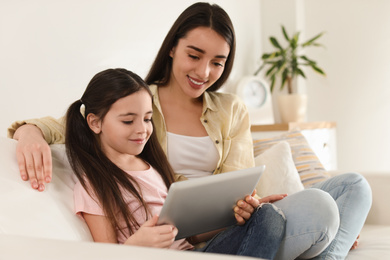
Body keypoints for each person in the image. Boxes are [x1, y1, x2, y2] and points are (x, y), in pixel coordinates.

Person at [8, 2, 371, 259]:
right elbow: (75, 120)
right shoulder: (139, 102)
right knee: (319, 208)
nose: (204, 72)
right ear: (172, 49)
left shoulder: (231, 109)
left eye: (218, 62)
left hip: (226, 221)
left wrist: (247, 203)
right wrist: (28, 131)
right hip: (193, 234)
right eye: (194, 55)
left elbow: (240, 182)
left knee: (353, 186)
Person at [64, 67, 286, 258]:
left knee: (266, 215)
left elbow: (187, 235)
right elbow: (105, 256)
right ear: (94, 122)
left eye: (147, 118)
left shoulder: (151, 166)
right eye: (128, 120)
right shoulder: (92, 185)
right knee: (268, 218)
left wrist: (238, 215)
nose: (142, 129)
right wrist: (137, 245)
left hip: (191, 253)